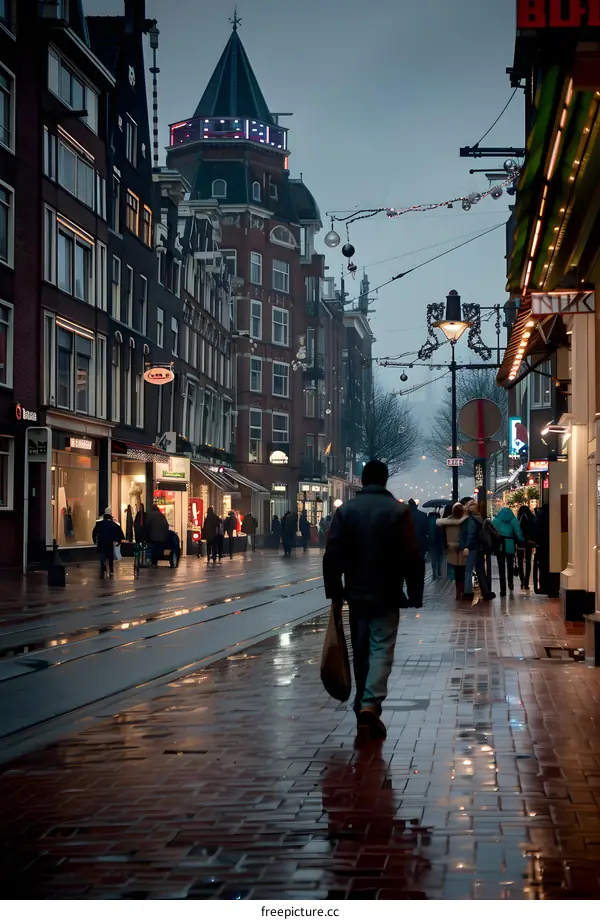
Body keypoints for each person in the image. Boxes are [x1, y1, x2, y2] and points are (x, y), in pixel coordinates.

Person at [323, 460, 423, 741]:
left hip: (356, 593)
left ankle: (361, 703)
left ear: (363, 481)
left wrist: (335, 591)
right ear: (385, 479)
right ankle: (370, 703)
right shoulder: (398, 511)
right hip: (387, 593)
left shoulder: (346, 511)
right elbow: (412, 555)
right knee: (381, 648)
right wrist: (414, 593)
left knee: (361, 648)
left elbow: (332, 554)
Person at [459, 500, 496, 601]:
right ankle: (486, 592)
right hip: (480, 548)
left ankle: (468, 591)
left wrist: (466, 546)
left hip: (472, 548)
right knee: (480, 571)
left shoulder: (470, 519)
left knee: (468, 571)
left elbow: (471, 534)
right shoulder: (479, 518)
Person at [437, 502, 467, 599]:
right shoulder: (465, 521)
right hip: (462, 548)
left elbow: (443, 535)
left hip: (451, 547)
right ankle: (462, 591)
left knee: (456, 571)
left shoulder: (447, 521)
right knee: (462, 571)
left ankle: (458, 592)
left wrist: (446, 546)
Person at [492, 504, 524, 597]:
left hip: (500, 545)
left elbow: (493, 532)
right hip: (510, 543)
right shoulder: (513, 520)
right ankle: (511, 584)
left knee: (501, 567)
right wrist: (523, 541)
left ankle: (502, 589)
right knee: (510, 566)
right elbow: (518, 533)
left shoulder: (496, 520)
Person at [92, 508, 125, 578]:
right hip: (109, 543)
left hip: (101, 543)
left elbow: (94, 532)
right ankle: (111, 570)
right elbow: (119, 532)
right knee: (110, 557)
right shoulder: (113, 524)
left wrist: (94, 541)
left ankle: (103, 568)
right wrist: (119, 540)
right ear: (110, 515)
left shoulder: (99, 524)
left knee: (102, 556)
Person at [517, 502, 537, 590]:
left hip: (521, 542)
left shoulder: (520, 518)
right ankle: (527, 582)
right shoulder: (531, 517)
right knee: (528, 562)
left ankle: (522, 581)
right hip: (529, 542)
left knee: (520, 561)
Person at [427, 511, 445, 579]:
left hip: (431, 543)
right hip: (439, 542)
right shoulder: (439, 522)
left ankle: (434, 572)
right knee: (439, 558)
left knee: (433, 558)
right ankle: (439, 571)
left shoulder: (428, 522)